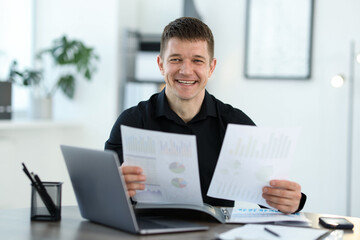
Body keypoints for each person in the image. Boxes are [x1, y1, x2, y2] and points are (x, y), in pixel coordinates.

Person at [105, 17, 306, 213]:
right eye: (175, 59)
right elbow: (104, 197)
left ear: (211, 67)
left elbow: (269, 198)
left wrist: (291, 202)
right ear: (160, 64)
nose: (186, 70)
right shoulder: (130, 123)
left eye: (197, 61)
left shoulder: (236, 125)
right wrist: (113, 188)